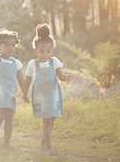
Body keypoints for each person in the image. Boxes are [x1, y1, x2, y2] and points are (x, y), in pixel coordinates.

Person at [23, 23, 70, 154]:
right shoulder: (33, 64)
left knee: (51, 120)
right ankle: (47, 149)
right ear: (35, 50)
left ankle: (44, 143)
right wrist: (24, 93)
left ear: (52, 50)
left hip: (54, 95)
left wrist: (64, 77)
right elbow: (27, 80)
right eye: (42, 51)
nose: (45, 54)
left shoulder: (54, 61)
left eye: (48, 51)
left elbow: (60, 76)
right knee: (47, 121)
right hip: (40, 97)